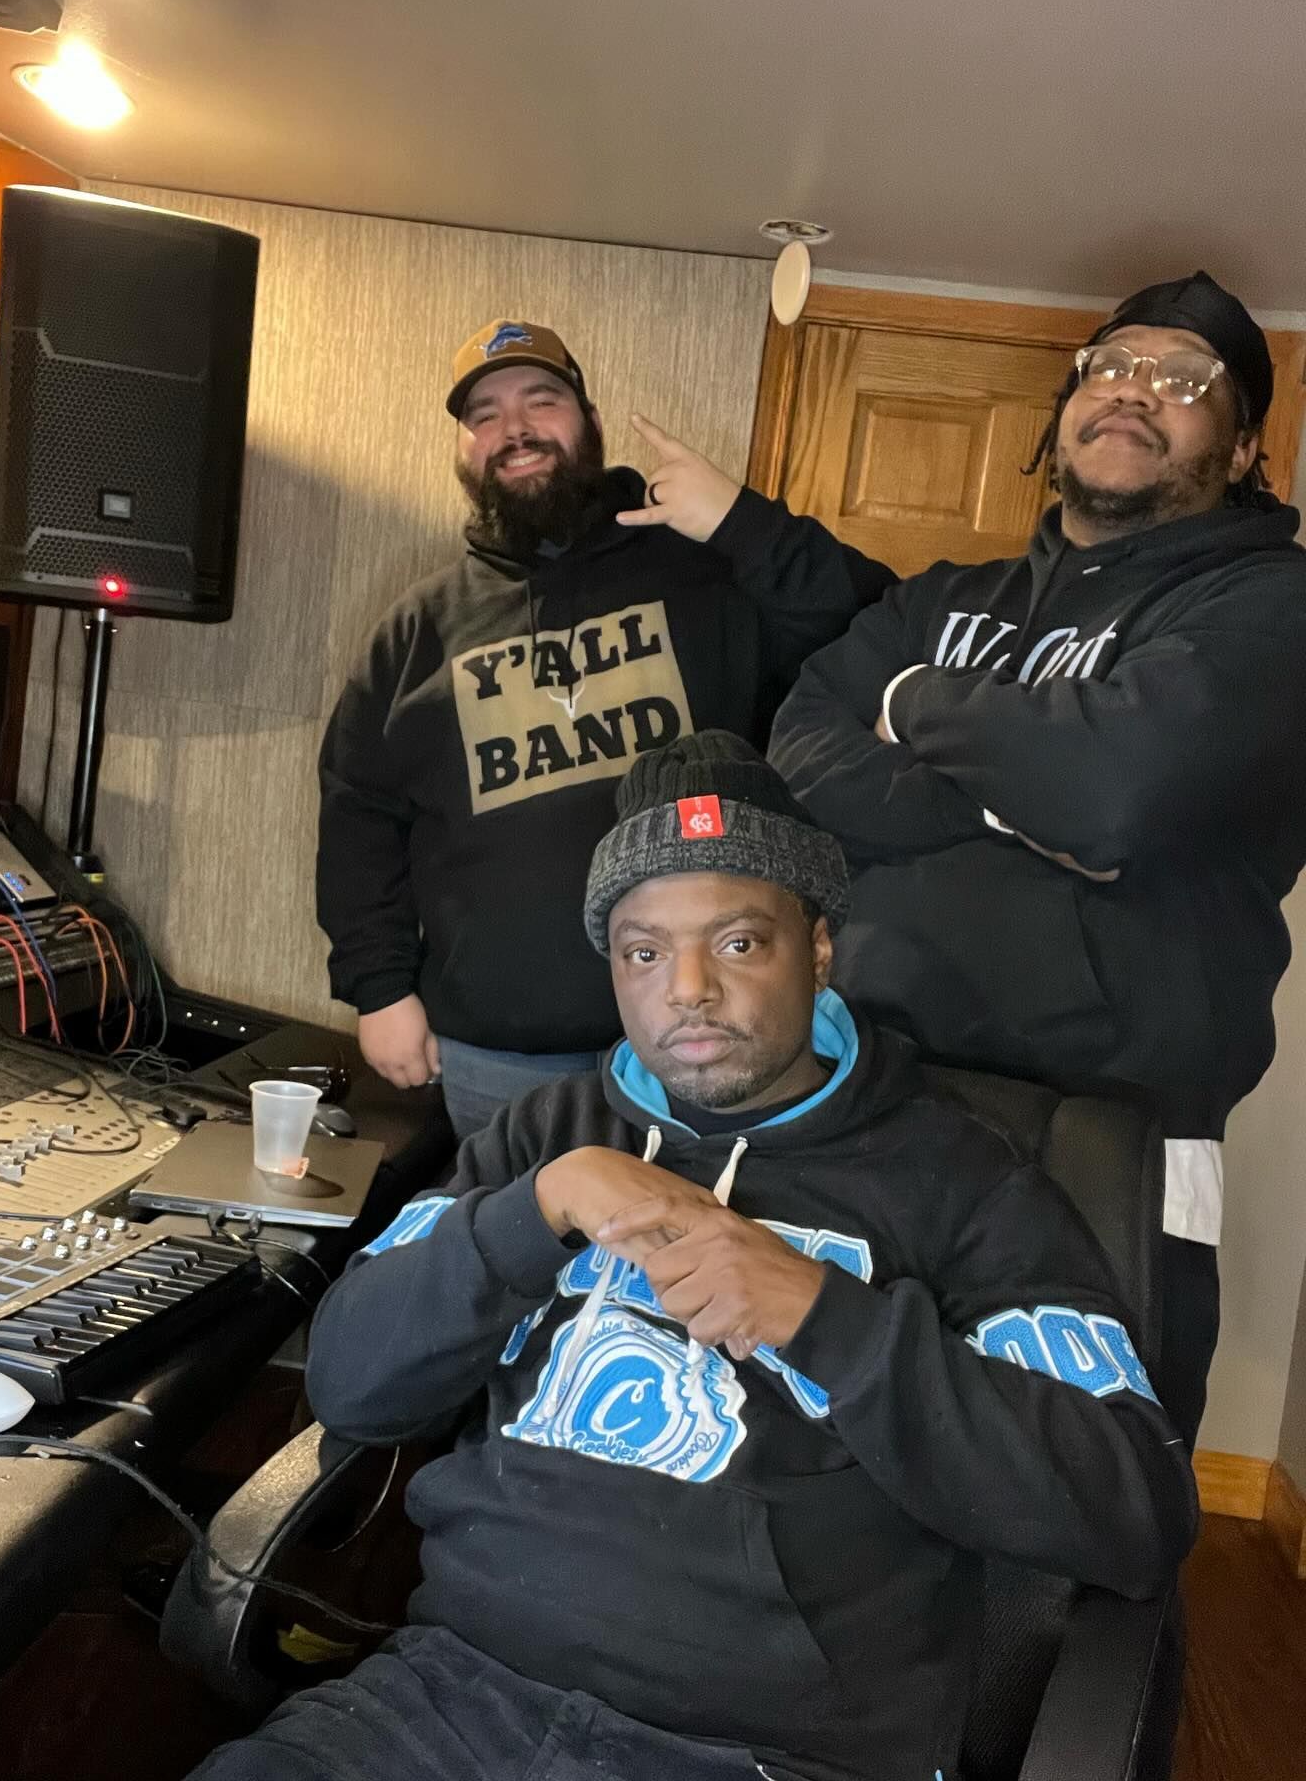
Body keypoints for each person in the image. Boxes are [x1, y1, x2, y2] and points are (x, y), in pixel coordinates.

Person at [195, 732, 1196, 1781]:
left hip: (768, 1752)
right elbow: (352, 1387)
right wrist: (534, 1212)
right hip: (447, 1699)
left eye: (737, 944)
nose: (687, 991)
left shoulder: (964, 1177)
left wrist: (827, 1319)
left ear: (817, 948)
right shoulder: (544, 1138)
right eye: (643, 951)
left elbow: (1132, 1506)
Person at [617, 272, 1306, 1450]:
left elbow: (1117, 785)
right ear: (1065, 409)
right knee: (826, 1461)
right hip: (866, 1105)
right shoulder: (947, 598)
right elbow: (805, 749)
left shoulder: (1271, 604)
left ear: (1242, 449)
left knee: (1078, 1491)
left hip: (1104, 1139)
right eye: (1113, 365)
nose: (1137, 392)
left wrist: (917, 700)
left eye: (1185, 383)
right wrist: (1009, 804)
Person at [317, 319, 889, 1140]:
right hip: (501, 1061)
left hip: (709, 1041)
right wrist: (379, 989)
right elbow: (357, 815)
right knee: (517, 1257)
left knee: (700, 1261)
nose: (512, 428)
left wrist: (739, 521)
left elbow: (877, 620)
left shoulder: (702, 569)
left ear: (587, 421)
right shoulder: (418, 630)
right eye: (484, 414)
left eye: (540, 400)